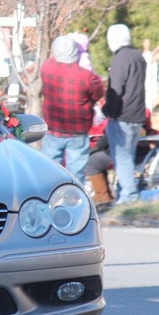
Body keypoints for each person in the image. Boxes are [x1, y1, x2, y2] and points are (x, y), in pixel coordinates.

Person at [39, 35, 105, 182]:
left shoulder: (46, 67)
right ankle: (73, 201)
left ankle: (49, 199)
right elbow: (99, 92)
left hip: (53, 128)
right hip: (78, 131)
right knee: (76, 174)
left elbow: (53, 58)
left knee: (50, 169)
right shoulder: (86, 76)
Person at [103, 23, 147, 205]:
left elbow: (116, 89)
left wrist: (107, 110)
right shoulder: (138, 57)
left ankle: (129, 195)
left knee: (121, 157)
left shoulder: (120, 59)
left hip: (122, 114)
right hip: (137, 113)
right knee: (127, 155)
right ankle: (125, 191)